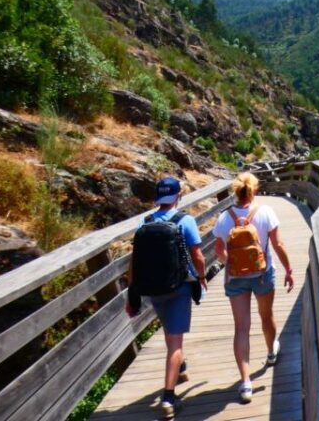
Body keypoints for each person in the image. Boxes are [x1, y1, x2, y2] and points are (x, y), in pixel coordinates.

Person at [125, 177, 206, 420]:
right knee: (175, 344)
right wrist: (201, 277)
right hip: (179, 288)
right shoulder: (185, 221)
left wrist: (132, 293)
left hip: (153, 289)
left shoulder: (144, 222)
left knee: (170, 333)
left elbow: (134, 261)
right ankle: (169, 398)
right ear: (178, 196)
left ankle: (179, 367)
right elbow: (198, 256)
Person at [213, 172, 294, 404]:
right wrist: (288, 269)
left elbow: (219, 251)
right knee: (266, 316)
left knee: (241, 328)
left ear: (235, 192)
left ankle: (246, 383)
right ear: (254, 190)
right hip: (263, 274)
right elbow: (278, 244)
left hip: (236, 278)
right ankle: (270, 353)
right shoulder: (265, 212)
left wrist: (232, 263)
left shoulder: (224, 217)